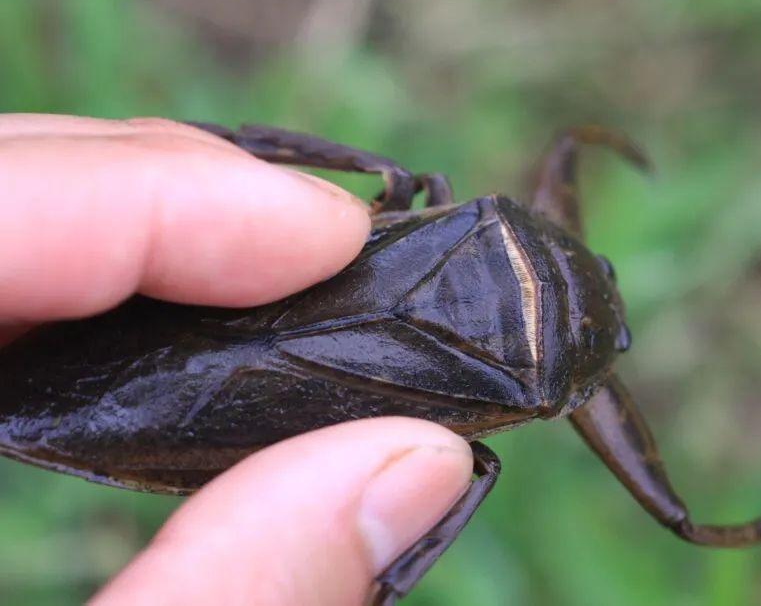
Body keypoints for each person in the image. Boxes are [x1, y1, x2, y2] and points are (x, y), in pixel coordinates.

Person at [0, 115, 473, 605]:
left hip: (92, 362)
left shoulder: (476, 226)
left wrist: (225, 141)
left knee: (387, 182)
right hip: (111, 409)